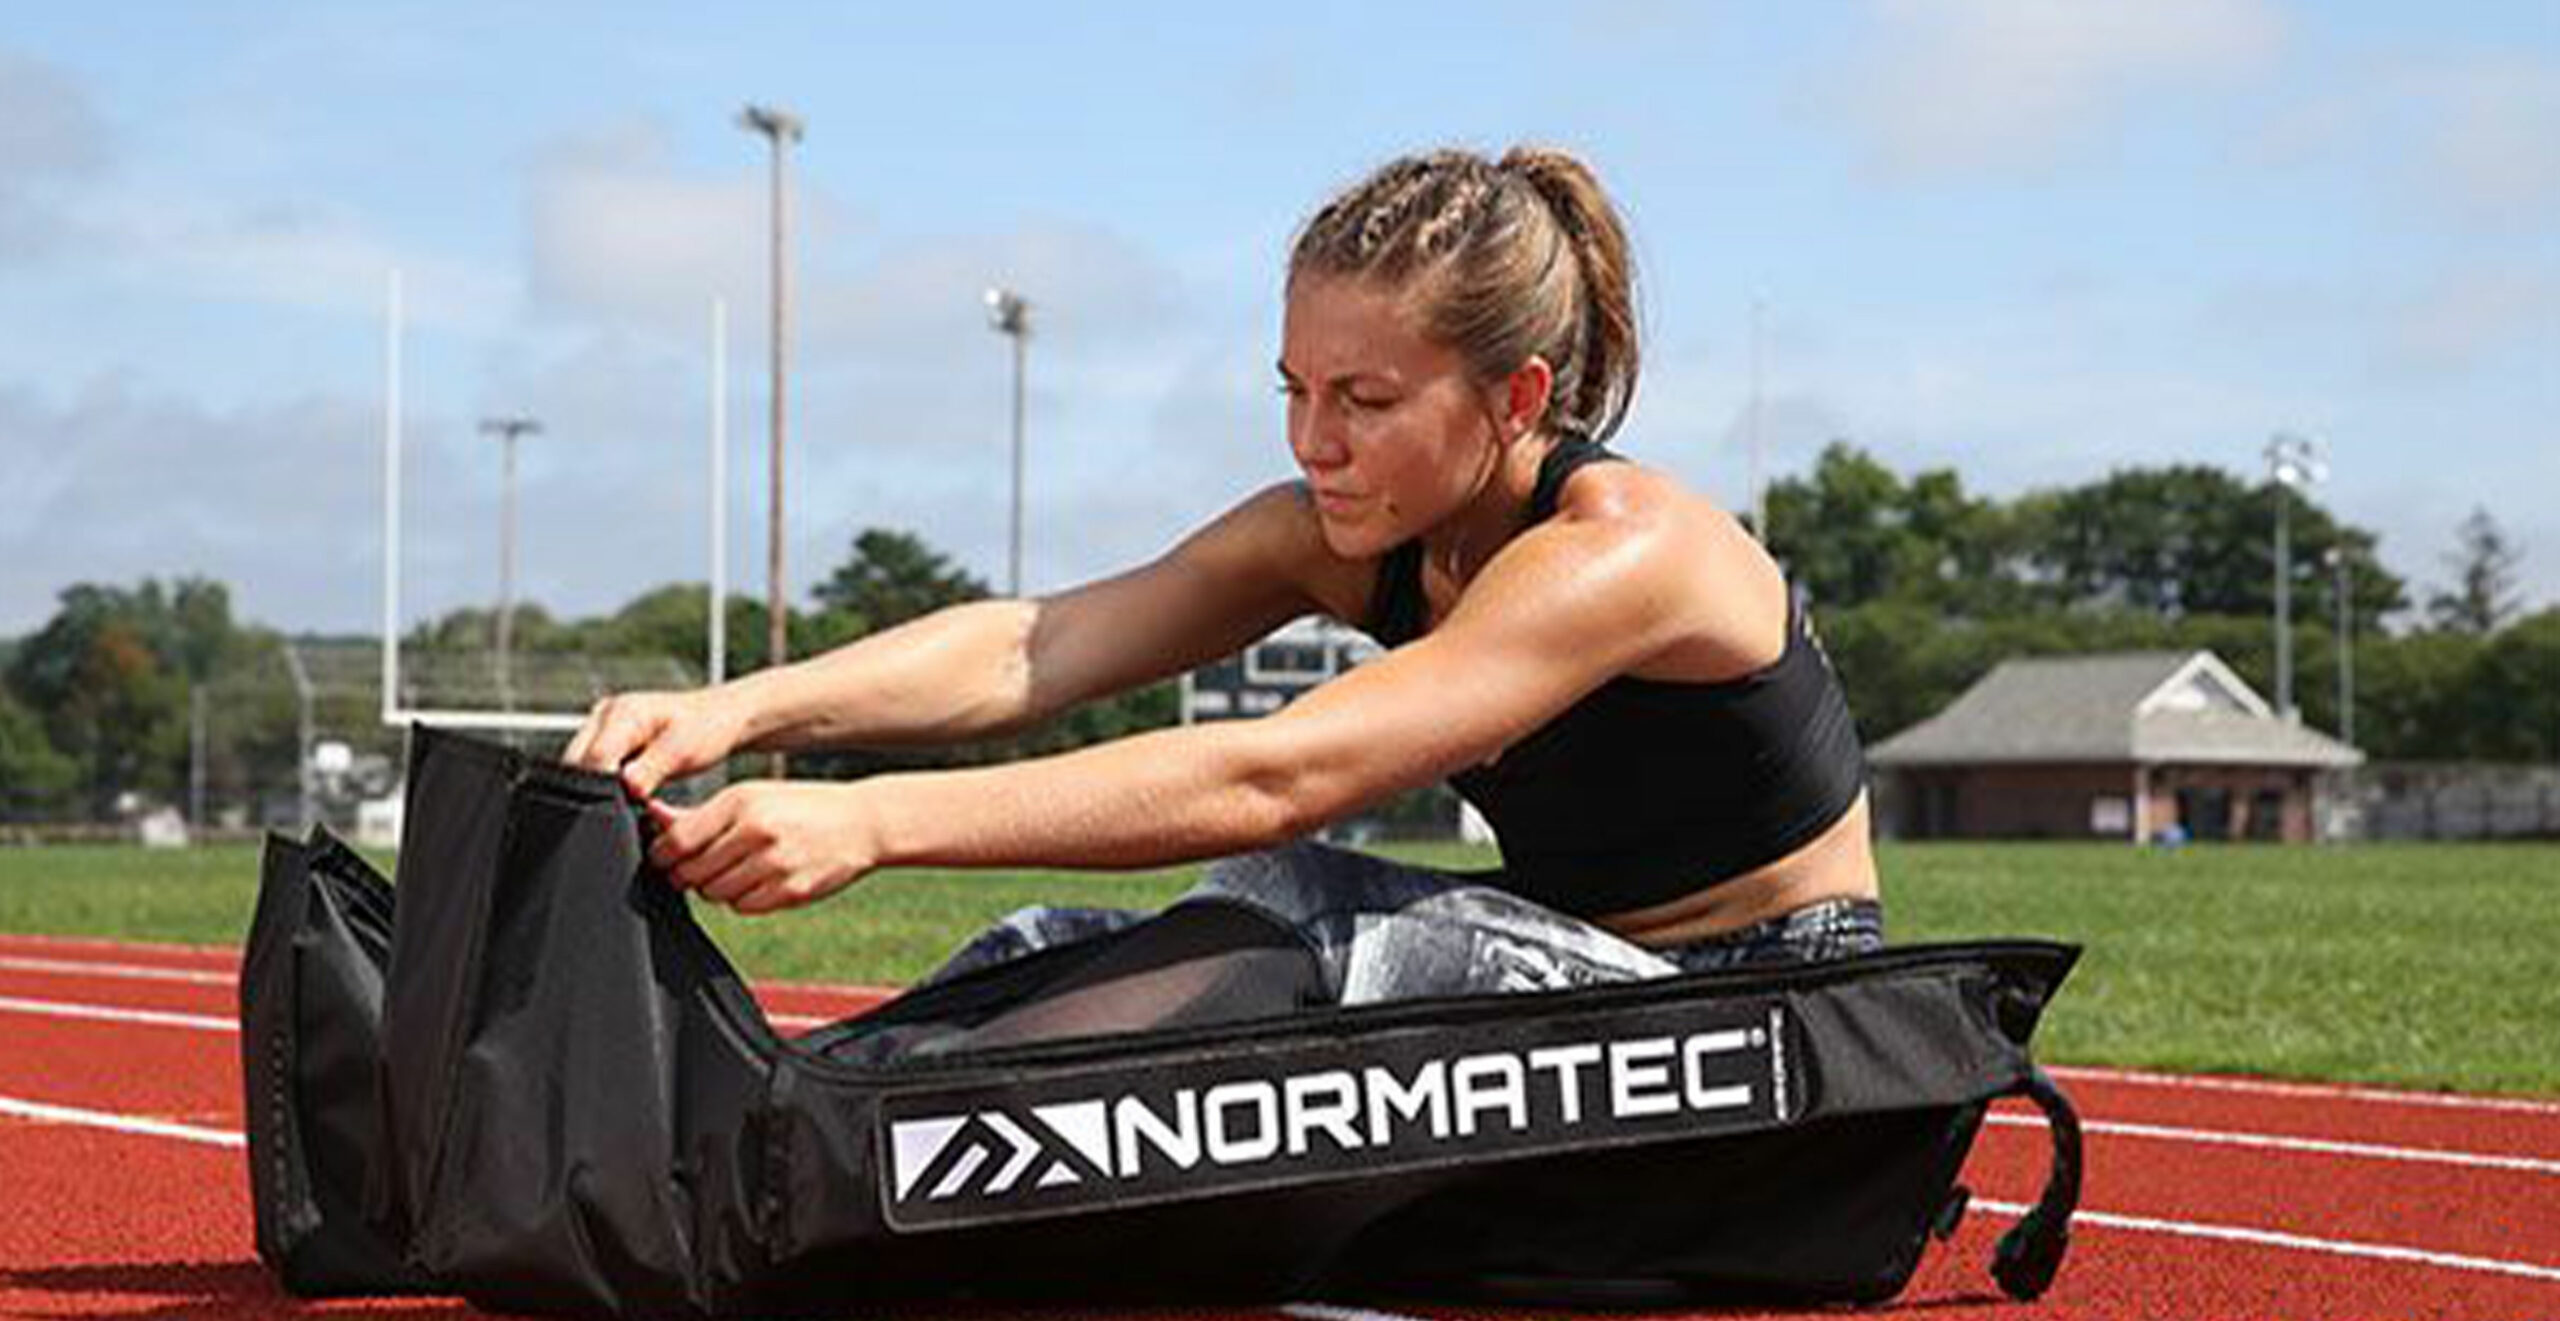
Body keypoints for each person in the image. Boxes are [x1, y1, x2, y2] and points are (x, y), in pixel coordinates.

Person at [566, 145, 1880, 1032]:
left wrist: (874, 823)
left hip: (1757, 1014)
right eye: (1295, 390)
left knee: (1288, 896)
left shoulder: (1624, 549)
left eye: (1366, 400)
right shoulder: (1335, 532)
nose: (1315, 442)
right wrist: (736, 709)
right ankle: (800, 1138)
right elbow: (1044, 644)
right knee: (1046, 943)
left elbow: (1279, 776)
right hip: (1568, 994)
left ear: (1517, 397)